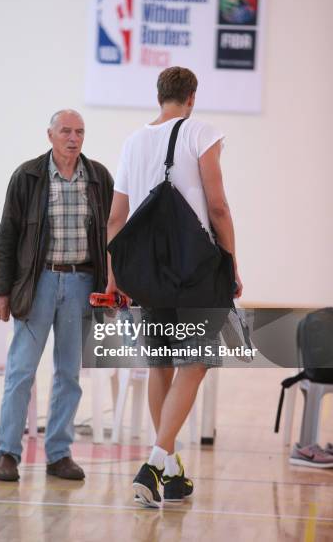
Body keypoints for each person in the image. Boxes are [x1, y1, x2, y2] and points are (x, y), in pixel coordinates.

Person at [106, 66, 242, 507]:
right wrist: (232, 262)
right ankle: (153, 461)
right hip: (195, 268)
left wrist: (115, 278)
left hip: (148, 272)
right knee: (195, 364)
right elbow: (217, 206)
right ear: (192, 96)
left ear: (159, 94)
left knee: (161, 365)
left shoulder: (133, 141)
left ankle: (170, 471)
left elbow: (116, 219)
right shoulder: (200, 131)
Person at [0, 109, 113, 482]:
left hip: (81, 284)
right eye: (65, 131)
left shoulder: (99, 177)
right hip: (37, 283)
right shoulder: (27, 175)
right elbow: (7, 235)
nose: (73, 138)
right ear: (50, 135)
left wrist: (112, 284)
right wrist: (1, 290)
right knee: (21, 371)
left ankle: (59, 454)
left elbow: (114, 235)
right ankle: (7, 453)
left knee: (69, 374)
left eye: (79, 132)